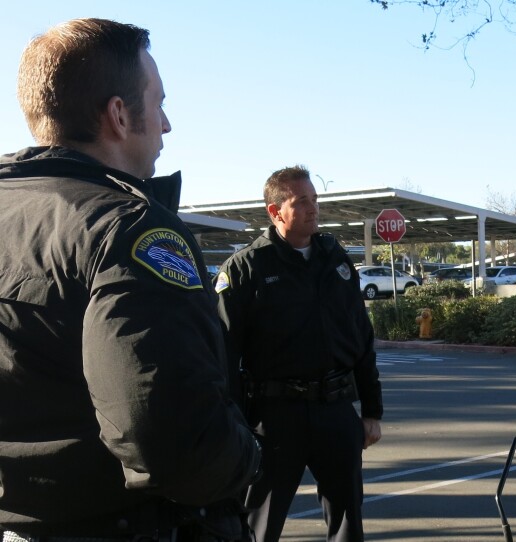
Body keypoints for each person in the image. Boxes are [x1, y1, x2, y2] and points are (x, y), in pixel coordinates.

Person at [0, 18, 261, 541]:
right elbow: (169, 437)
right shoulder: (129, 230)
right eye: (158, 102)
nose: (166, 125)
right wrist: (247, 455)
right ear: (119, 115)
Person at [214, 165, 383, 542]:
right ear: (275, 212)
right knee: (259, 526)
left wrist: (371, 411)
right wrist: (232, 424)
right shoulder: (246, 268)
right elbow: (222, 354)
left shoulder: (335, 261)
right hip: (275, 419)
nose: (313, 208)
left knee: (348, 524)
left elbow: (360, 337)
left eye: (315, 199)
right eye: (301, 201)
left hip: (336, 412)